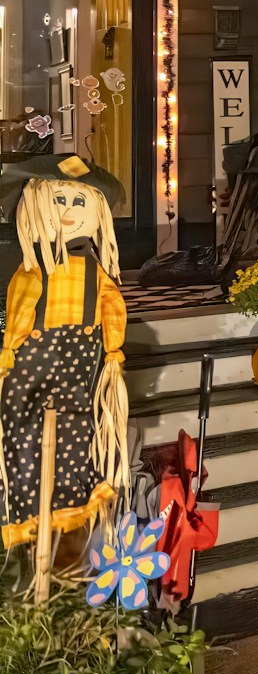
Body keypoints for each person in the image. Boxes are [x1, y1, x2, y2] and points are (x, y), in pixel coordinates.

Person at [0, 154, 130, 558]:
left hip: (79, 375)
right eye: (58, 200)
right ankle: (28, 535)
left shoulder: (95, 272)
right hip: (29, 375)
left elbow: (112, 310)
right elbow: (19, 314)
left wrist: (113, 356)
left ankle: (67, 528)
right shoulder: (29, 269)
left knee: (76, 444)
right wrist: (7, 356)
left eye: (79, 201)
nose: (70, 211)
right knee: (23, 445)